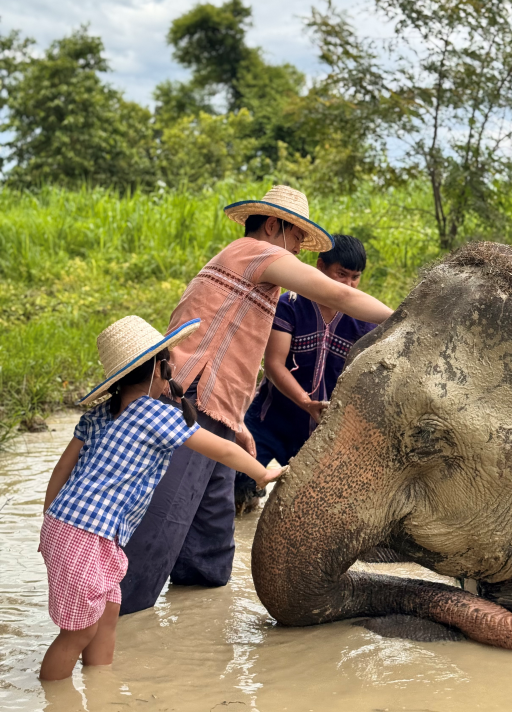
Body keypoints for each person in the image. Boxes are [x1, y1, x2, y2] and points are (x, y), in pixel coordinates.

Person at [119, 186, 393, 615]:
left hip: (218, 409)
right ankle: (119, 623)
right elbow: (337, 295)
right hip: (192, 403)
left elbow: (231, 345)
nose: (299, 248)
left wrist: (237, 422)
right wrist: (406, 318)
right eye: (297, 236)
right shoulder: (256, 252)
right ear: (272, 226)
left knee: (209, 550)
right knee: (161, 528)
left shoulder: (248, 267)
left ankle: (196, 631)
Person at [38, 315, 285, 682]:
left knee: (107, 617)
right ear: (160, 369)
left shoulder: (99, 414)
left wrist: (50, 520)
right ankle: (54, 699)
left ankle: (100, 690)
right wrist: (261, 473)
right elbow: (222, 450)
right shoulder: (157, 414)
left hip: (78, 529)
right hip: (86, 534)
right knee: (78, 632)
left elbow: (62, 469)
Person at [235, 234, 376, 510]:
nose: (348, 285)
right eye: (341, 274)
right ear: (320, 267)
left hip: (319, 435)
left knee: (311, 507)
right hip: (268, 421)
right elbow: (274, 365)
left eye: (355, 277)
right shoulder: (290, 305)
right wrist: (307, 402)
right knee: (235, 493)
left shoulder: (365, 323)